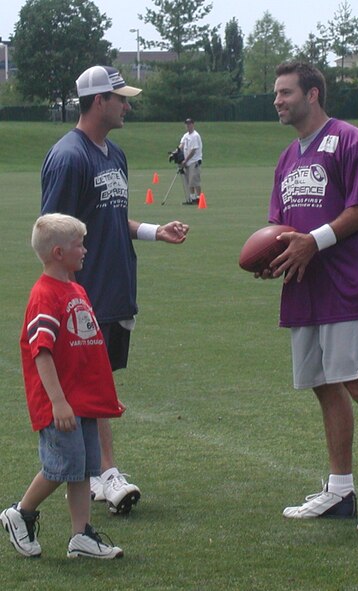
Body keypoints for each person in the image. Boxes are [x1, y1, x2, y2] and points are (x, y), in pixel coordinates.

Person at [41, 65, 189, 515]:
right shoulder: (69, 156)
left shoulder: (115, 154)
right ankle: (102, 473)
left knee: (99, 381)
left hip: (116, 284)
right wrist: (64, 295)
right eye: (120, 97)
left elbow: (107, 218)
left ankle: (98, 473)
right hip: (85, 293)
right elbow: (53, 232)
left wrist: (151, 230)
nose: (128, 104)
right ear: (99, 101)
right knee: (88, 384)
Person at [261, 61, 358, 529]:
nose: (277, 100)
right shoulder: (287, 157)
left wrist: (313, 242)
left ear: (313, 94)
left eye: (285, 92)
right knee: (322, 383)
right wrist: (270, 257)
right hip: (305, 286)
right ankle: (340, 490)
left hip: (348, 283)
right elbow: (280, 225)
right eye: (276, 93)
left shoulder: (351, 141)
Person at [0, 214, 124, 559]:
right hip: (61, 403)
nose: (85, 250)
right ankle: (20, 513)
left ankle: (81, 534)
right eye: (79, 245)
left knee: (83, 466)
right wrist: (58, 401)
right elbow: (41, 352)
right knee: (62, 466)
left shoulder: (75, 288)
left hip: (81, 399)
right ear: (58, 252)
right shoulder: (45, 295)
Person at [178, 118, 203, 205]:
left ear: (193, 124)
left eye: (189, 124)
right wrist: (176, 152)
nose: (188, 126)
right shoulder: (186, 136)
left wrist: (186, 160)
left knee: (194, 180)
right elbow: (181, 145)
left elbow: (193, 150)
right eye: (186, 124)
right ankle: (192, 198)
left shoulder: (195, 136)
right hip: (187, 162)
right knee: (189, 181)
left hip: (194, 161)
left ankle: (199, 198)